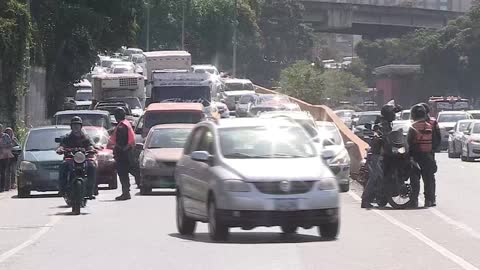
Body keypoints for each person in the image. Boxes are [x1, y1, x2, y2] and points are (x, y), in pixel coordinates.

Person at [57, 116, 97, 199]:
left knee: (92, 166)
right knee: (63, 165)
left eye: (78, 125)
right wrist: (60, 149)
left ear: (81, 126)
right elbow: (61, 146)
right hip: (70, 159)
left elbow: (90, 146)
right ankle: (62, 188)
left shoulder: (86, 137)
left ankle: (91, 190)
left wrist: (92, 149)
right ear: (71, 126)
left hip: (84, 159)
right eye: (74, 125)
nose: (76, 127)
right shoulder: (67, 137)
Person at [408, 104, 437, 207]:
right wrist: (431, 150)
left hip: (416, 156)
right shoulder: (430, 125)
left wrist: (410, 154)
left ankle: (414, 200)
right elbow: (436, 139)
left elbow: (409, 141)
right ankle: (429, 200)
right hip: (428, 155)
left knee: (414, 179)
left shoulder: (413, 126)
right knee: (429, 178)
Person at [110, 107, 138, 201]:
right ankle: (127, 191)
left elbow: (121, 141)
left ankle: (126, 193)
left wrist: (119, 148)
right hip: (127, 152)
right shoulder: (126, 123)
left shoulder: (122, 126)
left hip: (123, 154)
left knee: (123, 173)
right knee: (128, 171)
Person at [0, 124, 13, 192]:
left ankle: (2, 187)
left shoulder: (6, 136)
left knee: (3, 172)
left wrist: (3, 146)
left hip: (5, 157)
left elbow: (10, 144)